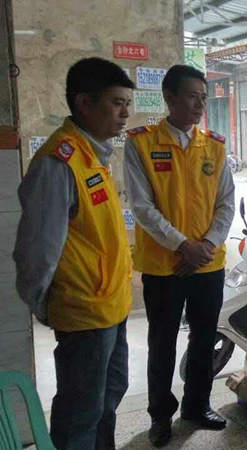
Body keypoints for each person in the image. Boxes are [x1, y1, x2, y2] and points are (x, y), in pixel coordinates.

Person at [13, 57, 134, 449]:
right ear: (84, 103)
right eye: (116, 103)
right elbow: (37, 248)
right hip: (84, 313)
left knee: (108, 397)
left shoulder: (93, 155)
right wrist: (45, 304)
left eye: (127, 103)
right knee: (81, 412)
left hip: (111, 308)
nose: (125, 113)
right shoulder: (59, 162)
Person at [124, 65, 235, 447]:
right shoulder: (141, 143)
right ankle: (160, 416)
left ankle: (197, 406)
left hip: (208, 263)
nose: (200, 105)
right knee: (162, 343)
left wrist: (206, 245)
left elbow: (226, 203)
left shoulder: (215, 145)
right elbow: (142, 206)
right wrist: (182, 245)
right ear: (169, 98)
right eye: (192, 96)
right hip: (164, 265)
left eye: (203, 97)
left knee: (204, 339)